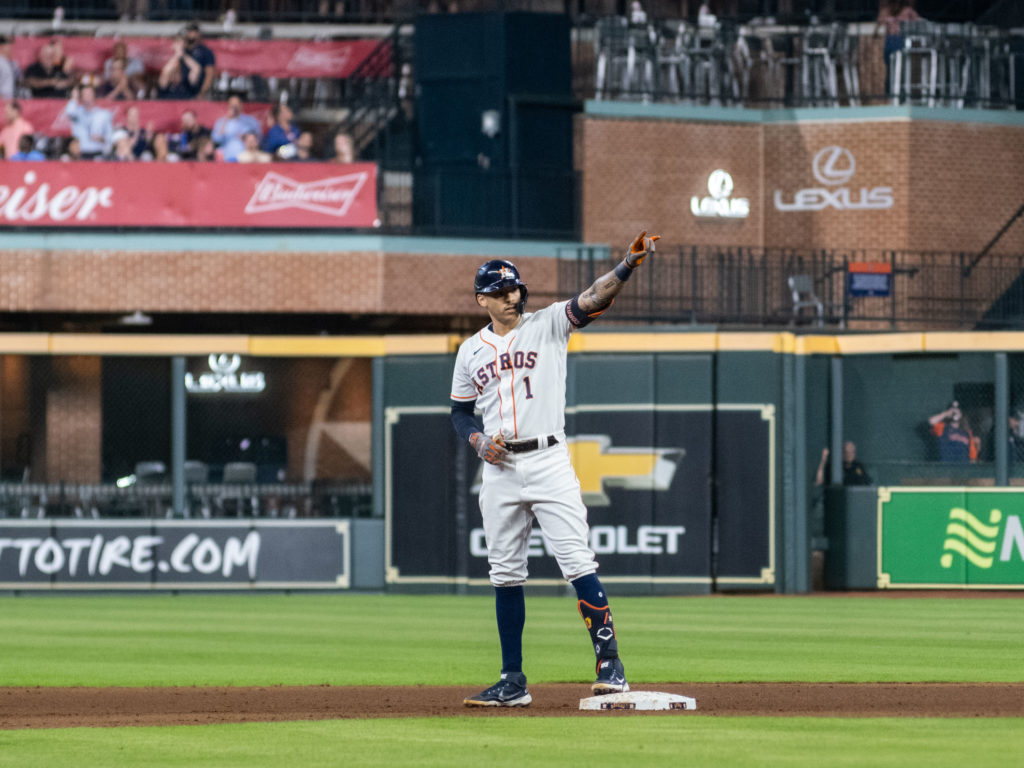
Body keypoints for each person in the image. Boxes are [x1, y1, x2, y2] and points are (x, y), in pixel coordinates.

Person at [450, 231, 660, 707]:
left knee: (577, 561)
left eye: (515, 289)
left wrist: (626, 265)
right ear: (482, 299)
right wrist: (478, 440)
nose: (511, 297)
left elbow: (591, 298)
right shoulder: (470, 351)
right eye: (501, 292)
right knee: (504, 573)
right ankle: (512, 681)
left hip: (547, 458)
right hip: (499, 469)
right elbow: (460, 412)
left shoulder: (547, 324)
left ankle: (611, 665)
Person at [875, 0, 921, 96]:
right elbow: (877, 29)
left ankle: (900, 91)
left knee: (900, 68)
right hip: (890, 43)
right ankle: (890, 92)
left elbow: (920, 23)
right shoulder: (885, 11)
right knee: (890, 69)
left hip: (903, 42)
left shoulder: (908, 11)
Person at [63, 85, 114, 160]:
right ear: (81, 96)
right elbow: (69, 112)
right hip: (80, 154)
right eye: (84, 94)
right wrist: (74, 97)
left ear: (94, 95)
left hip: (98, 153)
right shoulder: (77, 113)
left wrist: (101, 138)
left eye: (89, 93)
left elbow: (110, 137)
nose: (87, 96)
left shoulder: (104, 114)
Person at [211, 95, 261, 162]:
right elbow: (216, 139)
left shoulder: (250, 120)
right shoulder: (221, 121)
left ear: (241, 106)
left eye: (236, 105)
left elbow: (259, 137)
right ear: (228, 106)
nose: (234, 108)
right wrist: (226, 119)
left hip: (247, 156)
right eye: (232, 106)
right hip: (227, 155)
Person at [158, 34, 203, 100]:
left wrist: (183, 55)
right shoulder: (167, 86)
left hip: (186, 102)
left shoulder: (186, 81)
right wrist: (177, 56)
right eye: (178, 43)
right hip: (169, 104)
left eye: (182, 43)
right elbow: (166, 72)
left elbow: (196, 69)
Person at [181, 22, 216, 99]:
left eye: (193, 31)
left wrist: (202, 93)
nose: (191, 34)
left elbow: (209, 74)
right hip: (182, 93)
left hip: (198, 92)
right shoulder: (182, 50)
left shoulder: (205, 52)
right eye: (189, 31)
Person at [0, 35, 19, 100]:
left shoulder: (10, 62)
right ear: (1, 46)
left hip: (8, 101)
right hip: (2, 102)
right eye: (8, 44)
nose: (11, 47)